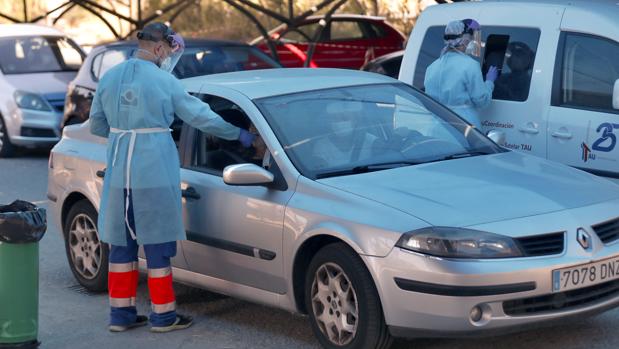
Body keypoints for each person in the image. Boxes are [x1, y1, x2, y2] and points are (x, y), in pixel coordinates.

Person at [89, 22, 256, 333]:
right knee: (157, 246)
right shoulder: (165, 82)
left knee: (121, 247)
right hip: (152, 172)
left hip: (117, 174)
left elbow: (96, 125)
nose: (169, 55)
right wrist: (240, 135)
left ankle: (121, 316)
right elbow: (201, 116)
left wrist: (122, 131)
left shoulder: (109, 78)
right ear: (159, 47)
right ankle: (163, 317)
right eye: (169, 49)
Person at [424, 19, 498, 128]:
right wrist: (489, 82)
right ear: (465, 40)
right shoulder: (470, 65)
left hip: (436, 126)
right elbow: (481, 101)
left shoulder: (431, 67)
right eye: (472, 38)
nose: (474, 42)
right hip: (463, 126)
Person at [313, 101, 377, 169]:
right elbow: (321, 170)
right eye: (335, 119)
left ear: (355, 121)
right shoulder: (322, 146)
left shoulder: (371, 141)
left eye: (344, 118)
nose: (339, 123)